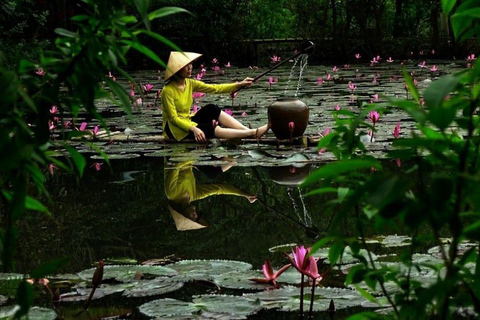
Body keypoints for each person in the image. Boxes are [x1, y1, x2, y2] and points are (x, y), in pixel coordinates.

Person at [161, 51, 270, 143]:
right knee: (207, 128)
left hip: (188, 120)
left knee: (212, 108)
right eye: (186, 66)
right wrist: (194, 129)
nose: (190, 68)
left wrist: (239, 84)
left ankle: (248, 132)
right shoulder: (168, 91)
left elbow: (215, 88)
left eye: (190, 64)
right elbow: (174, 119)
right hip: (175, 129)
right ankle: (252, 133)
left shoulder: (190, 83)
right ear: (177, 69)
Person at [165, 160, 257, 231]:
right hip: (191, 159)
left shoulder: (172, 194)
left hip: (178, 156)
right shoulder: (194, 195)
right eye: (197, 217)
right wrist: (244, 194)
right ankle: (237, 155)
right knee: (217, 169)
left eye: (192, 217)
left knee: (212, 172)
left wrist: (196, 158)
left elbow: (174, 165)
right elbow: (218, 189)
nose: (195, 214)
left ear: (182, 214)